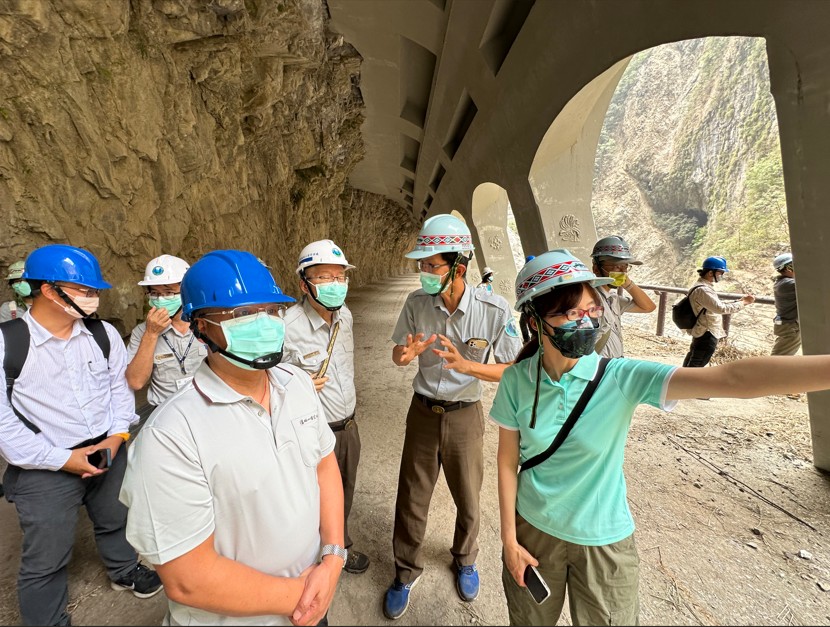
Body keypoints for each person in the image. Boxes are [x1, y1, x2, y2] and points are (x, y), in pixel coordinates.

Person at [490, 248, 830, 626]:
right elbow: (508, 463)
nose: (586, 323)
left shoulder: (619, 377)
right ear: (536, 322)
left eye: (592, 311)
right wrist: (509, 540)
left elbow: (733, 379)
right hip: (533, 532)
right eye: (572, 314)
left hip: (603, 539)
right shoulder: (517, 380)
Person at [119, 249, 345, 626]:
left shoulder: (298, 385)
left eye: (272, 311)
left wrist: (334, 556)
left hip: (311, 596)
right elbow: (188, 578)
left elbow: (323, 464)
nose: (265, 323)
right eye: (242, 314)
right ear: (200, 326)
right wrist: (304, 596)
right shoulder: (170, 435)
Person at [0, 244, 161, 627]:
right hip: (43, 464)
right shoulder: (8, 342)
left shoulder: (102, 334)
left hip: (106, 446)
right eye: (84, 290)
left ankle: (124, 569)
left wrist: (117, 438)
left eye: (94, 291)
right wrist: (64, 460)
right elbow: (4, 424)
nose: (93, 297)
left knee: (114, 516)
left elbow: (121, 393)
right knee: (47, 554)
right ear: (48, 290)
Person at [384, 214, 523, 620]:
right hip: (423, 413)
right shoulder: (415, 304)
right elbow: (399, 353)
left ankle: (465, 559)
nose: (424, 273)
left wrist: (469, 367)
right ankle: (405, 571)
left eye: (432, 266)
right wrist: (403, 356)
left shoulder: (494, 311)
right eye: (422, 266)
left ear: (458, 268)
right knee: (412, 496)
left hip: (465, 417)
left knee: (468, 495)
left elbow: (513, 368)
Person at [283, 239, 370, 575]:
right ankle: (307, 560)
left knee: (344, 493)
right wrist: (295, 385)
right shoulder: (287, 327)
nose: (336, 285)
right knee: (307, 498)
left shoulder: (345, 317)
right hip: (311, 433)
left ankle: (339, 547)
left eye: (340, 277)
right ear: (304, 283)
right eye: (325, 277)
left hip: (348, 427)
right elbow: (266, 382)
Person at [125, 255, 206, 424]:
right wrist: (151, 334)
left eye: (169, 292)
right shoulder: (142, 332)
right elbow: (135, 381)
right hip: (165, 416)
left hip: (208, 410)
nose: (160, 299)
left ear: (186, 291)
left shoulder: (206, 324)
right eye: (154, 293)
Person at [590, 235, 656, 357]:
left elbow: (648, 307)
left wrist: (628, 284)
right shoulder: (588, 298)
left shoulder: (614, 300)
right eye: (616, 266)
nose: (623, 272)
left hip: (614, 365)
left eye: (625, 267)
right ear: (596, 268)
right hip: (598, 367)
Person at [682, 255, 755, 368]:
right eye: (720, 273)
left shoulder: (702, 287)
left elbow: (714, 305)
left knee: (695, 357)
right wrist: (744, 302)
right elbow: (721, 308)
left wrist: (737, 301)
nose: (721, 275)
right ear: (711, 273)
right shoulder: (703, 290)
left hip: (702, 329)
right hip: (707, 331)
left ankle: (682, 381)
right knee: (698, 362)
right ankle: (687, 384)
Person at [771, 252, 800, 356]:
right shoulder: (788, 284)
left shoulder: (784, 282)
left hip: (789, 326)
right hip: (790, 327)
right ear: (789, 268)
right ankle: (766, 372)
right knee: (779, 359)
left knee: (781, 357)